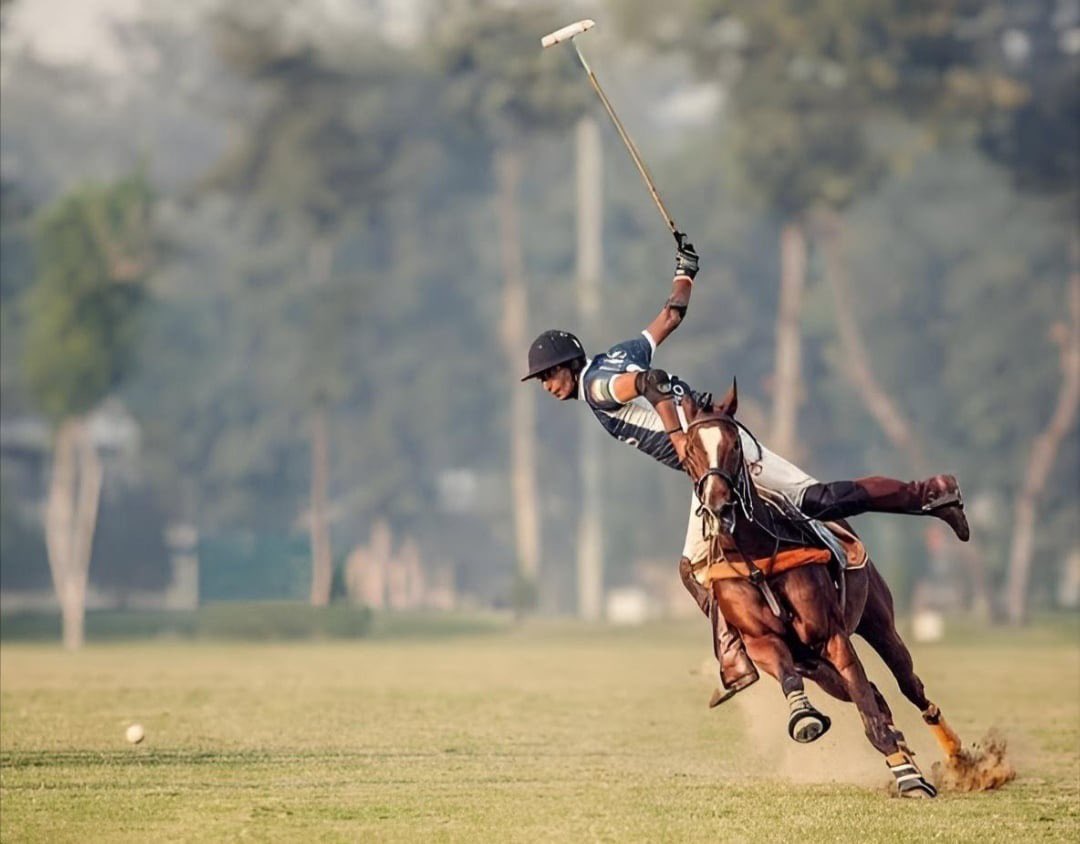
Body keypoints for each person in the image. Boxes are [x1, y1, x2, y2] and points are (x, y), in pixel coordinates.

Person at [521, 235, 969, 704]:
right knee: (817, 500)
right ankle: (932, 492)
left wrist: (680, 437)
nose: (547, 386)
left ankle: (735, 660)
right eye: (542, 380)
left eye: (549, 375)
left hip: (711, 466)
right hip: (734, 447)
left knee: (694, 567)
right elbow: (671, 314)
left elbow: (649, 384)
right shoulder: (622, 352)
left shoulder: (598, 386)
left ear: (570, 366)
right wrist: (685, 269)